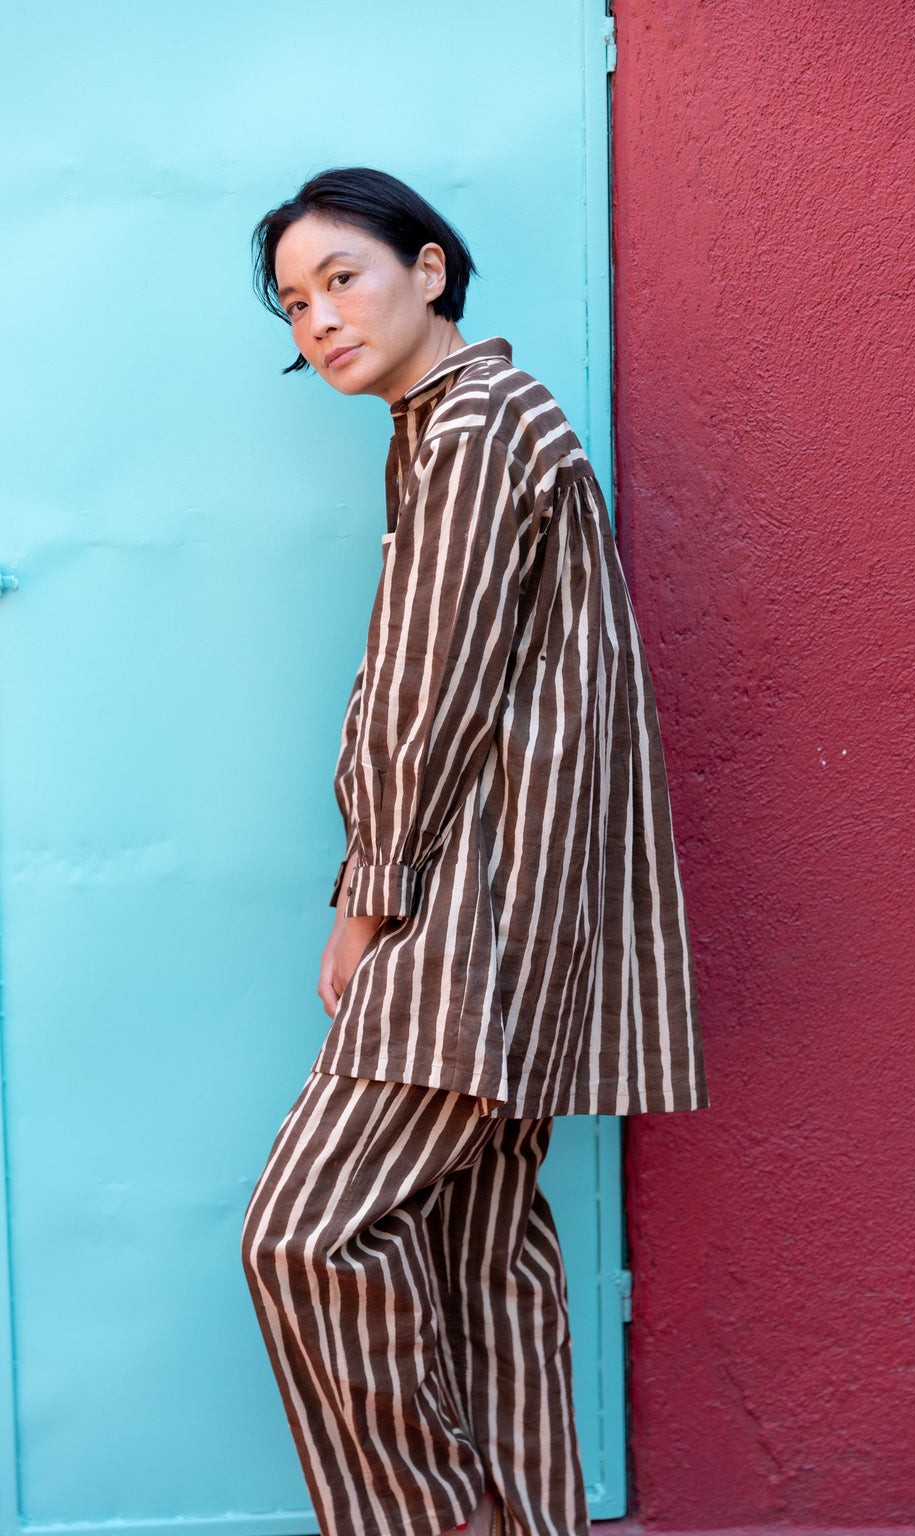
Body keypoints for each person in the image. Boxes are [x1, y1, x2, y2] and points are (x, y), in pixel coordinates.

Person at [241, 167, 707, 1536]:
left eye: (343, 278)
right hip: (526, 922)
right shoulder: (464, 427)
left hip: (470, 918)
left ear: (429, 270)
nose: (320, 317)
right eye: (294, 303)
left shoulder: (477, 425)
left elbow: (426, 687)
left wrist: (369, 893)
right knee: (479, 1260)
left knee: (305, 1234)